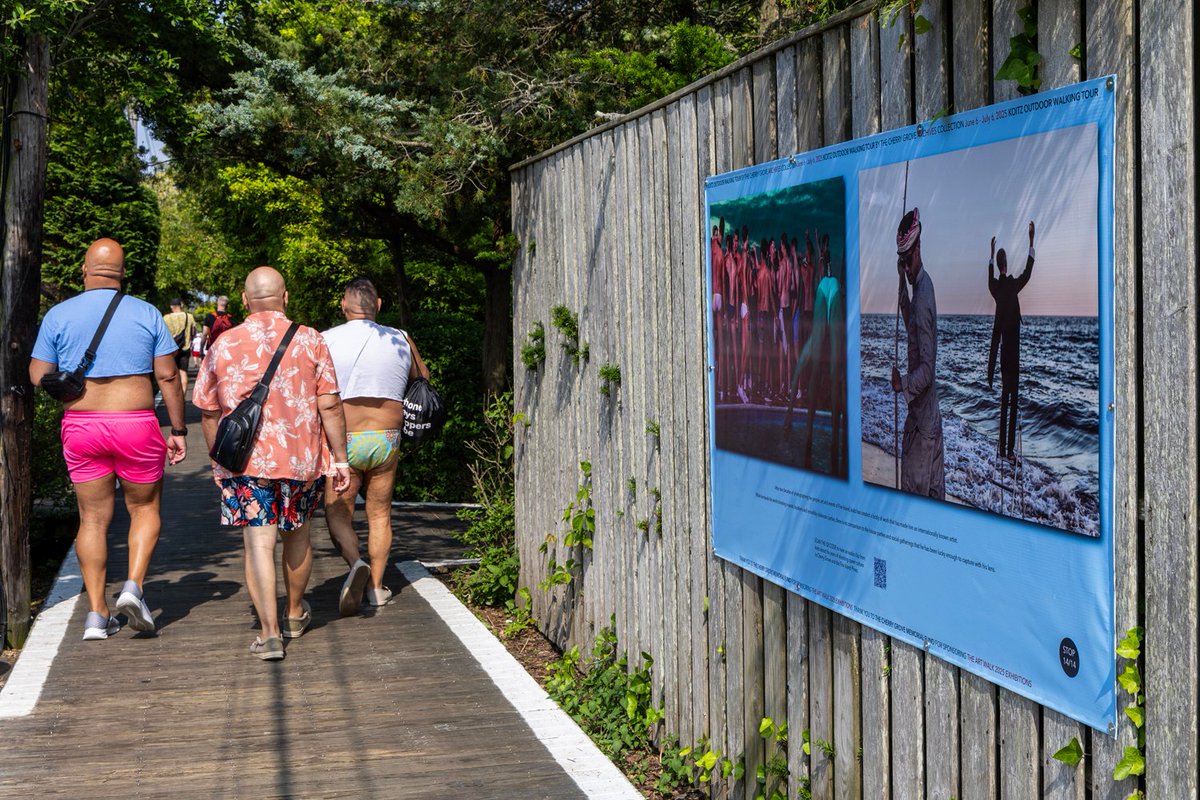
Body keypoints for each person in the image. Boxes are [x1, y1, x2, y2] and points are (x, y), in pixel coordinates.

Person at [29, 238, 187, 641]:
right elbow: (168, 376)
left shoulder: (59, 314)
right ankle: (133, 586)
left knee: (93, 520)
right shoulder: (146, 312)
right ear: (122, 273)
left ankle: (97, 615)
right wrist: (179, 429)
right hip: (136, 424)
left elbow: (37, 374)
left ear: (85, 270)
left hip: (82, 426)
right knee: (145, 508)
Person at [193, 267, 351, 660]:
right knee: (297, 535)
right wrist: (342, 459)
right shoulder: (310, 339)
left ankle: (269, 633)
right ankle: (295, 613)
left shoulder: (224, 343)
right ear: (286, 297)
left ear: (245, 301)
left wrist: (219, 462)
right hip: (302, 458)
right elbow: (329, 403)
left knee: (257, 544)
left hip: (246, 463)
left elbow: (209, 412)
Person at [321, 278, 431, 614]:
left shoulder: (324, 340)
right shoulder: (399, 338)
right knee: (380, 514)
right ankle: (377, 588)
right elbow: (422, 378)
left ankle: (356, 564)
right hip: (386, 439)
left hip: (345, 440)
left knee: (337, 512)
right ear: (378, 305)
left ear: (343, 305)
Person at [890, 208, 945, 499]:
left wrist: (903, 385)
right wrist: (901, 280)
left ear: (918, 248)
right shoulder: (921, 286)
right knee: (935, 500)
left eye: (908, 261)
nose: (907, 268)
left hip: (923, 427)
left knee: (915, 500)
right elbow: (909, 318)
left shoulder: (923, 296)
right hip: (927, 419)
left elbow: (928, 368)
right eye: (903, 262)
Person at [987, 221, 1036, 460]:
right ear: (1006, 264)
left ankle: (1003, 448)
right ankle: (1009, 452)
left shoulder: (996, 288)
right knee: (1013, 404)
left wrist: (989, 256)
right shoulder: (1013, 286)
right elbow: (1028, 273)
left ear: (998, 266)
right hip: (1014, 357)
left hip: (1003, 355)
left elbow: (989, 280)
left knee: (1004, 403)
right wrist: (1031, 243)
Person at [162, 299, 197, 395]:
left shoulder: (166, 318)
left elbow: (163, 334)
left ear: (171, 306)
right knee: (183, 372)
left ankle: (173, 396)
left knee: (171, 373)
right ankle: (182, 395)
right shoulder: (189, 316)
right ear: (181, 305)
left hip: (171, 349)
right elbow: (194, 332)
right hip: (185, 348)